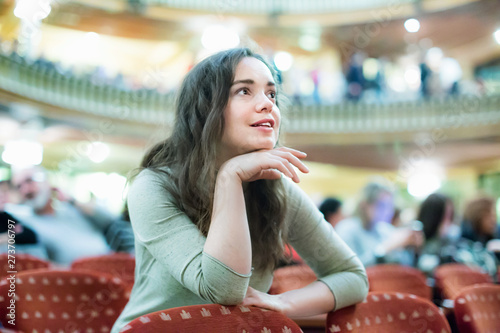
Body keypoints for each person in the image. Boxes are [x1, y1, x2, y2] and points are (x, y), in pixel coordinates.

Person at [112, 48, 368, 332]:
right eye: (244, 91)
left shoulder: (277, 191)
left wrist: (285, 303)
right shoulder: (153, 186)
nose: (267, 104)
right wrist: (230, 177)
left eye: (271, 94)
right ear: (204, 109)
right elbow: (225, 289)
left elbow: (352, 276)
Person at [7, 167, 110, 265]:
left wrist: (72, 201)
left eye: (29, 181)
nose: (26, 190)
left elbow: (111, 220)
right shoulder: (24, 221)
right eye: (19, 187)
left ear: (46, 182)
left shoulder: (71, 209)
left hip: (110, 264)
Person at [335, 181, 424, 267]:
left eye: (389, 206)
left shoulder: (385, 229)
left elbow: (405, 266)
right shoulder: (347, 229)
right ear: (364, 204)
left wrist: (411, 248)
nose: (387, 212)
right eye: (382, 205)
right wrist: (385, 249)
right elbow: (351, 269)